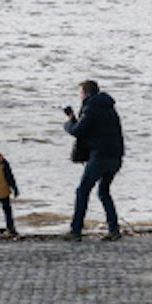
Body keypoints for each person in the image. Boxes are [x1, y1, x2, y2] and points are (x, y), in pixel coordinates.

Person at [62, 78, 124, 242]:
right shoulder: (109, 107)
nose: (79, 96)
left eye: (80, 93)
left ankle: (76, 230)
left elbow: (78, 131)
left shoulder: (91, 108)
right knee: (104, 192)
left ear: (86, 93)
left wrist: (68, 124)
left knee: (82, 191)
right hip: (116, 156)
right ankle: (114, 229)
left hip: (100, 156)